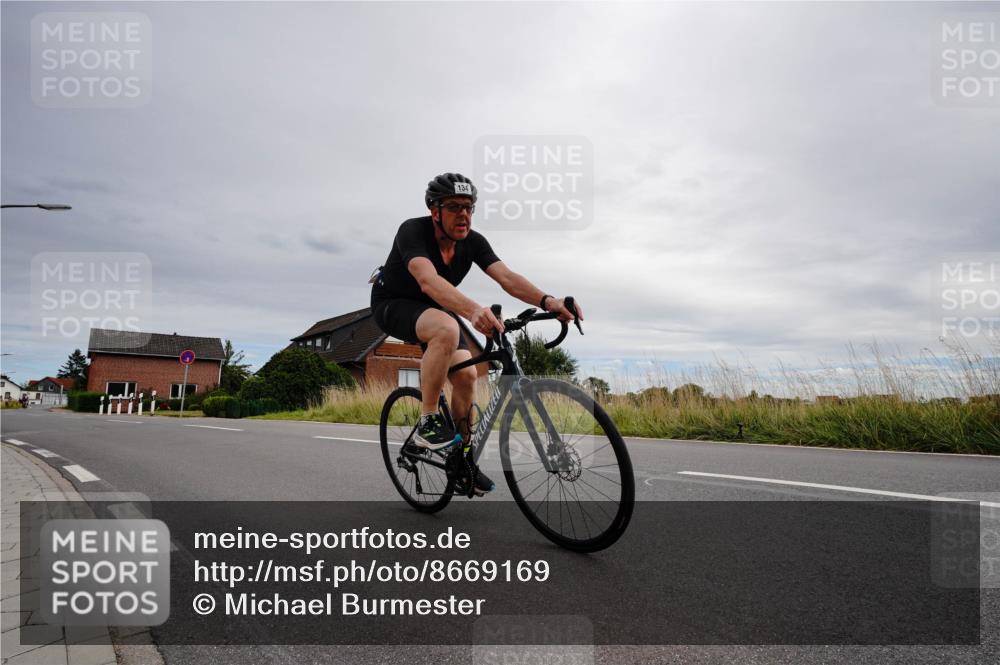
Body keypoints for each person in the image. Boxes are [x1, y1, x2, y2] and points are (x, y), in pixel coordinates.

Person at [371, 173, 584, 494]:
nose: (464, 215)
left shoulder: (473, 242)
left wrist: (548, 300)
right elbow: (427, 281)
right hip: (394, 304)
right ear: (435, 211)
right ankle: (428, 421)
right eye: (455, 207)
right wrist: (472, 310)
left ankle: (463, 460)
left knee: (468, 375)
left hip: (435, 309)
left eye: (470, 207)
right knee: (447, 326)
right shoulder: (412, 231)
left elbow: (507, 278)